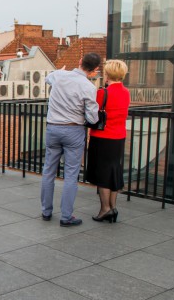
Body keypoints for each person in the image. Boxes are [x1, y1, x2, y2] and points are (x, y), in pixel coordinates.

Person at [40, 52, 101, 226]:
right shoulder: (89, 87)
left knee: (48, 170)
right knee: (71, 174)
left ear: (80, 61)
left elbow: (47, 78)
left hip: (53, 127)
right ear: (94, 70)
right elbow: (93, 118)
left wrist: (59, 70)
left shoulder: (59, 75)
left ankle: (46, 211)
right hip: (74, 130)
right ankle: (66, 216)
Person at [86, 59, 130, 223]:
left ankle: (105, 208)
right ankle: (113, 206)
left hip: (102, 137)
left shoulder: (103, 93)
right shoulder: (126, 92)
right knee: (113, 170)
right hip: (119, 137)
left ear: (107, 74)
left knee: (103, 172)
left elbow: (92, 113)